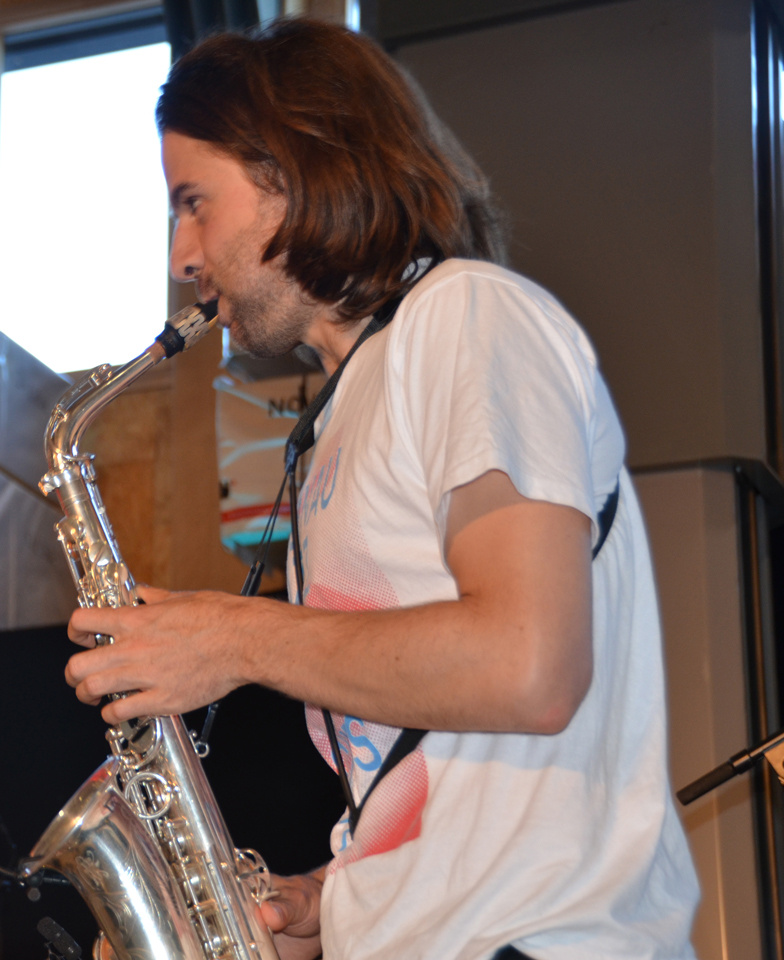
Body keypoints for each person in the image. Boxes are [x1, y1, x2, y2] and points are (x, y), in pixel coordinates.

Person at [63, 19, 699, 960]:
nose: (181, 257)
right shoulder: (338, 421)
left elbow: (529, 665)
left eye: (195, 202)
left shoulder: (466, 315)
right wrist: (328, 904)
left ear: (297, 165)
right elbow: (438, 769)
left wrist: (234, 639)